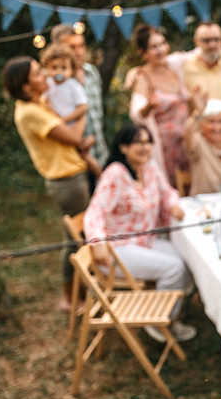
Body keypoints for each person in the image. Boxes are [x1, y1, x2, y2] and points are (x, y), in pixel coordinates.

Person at [84, 124, 196, 342]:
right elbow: (94, 212)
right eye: (138, 142)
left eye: (148, 142)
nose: (145, 148)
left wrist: (173, 204)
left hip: (144, 240)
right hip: (117, 250)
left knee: (189, 259)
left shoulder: (149, 168)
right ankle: (159, 322)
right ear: (124, 147)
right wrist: (97, 243)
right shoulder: (115, 174)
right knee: (174, 268)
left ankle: (167, 310)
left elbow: (168, 191)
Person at [3, 56, 94, 312]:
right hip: (67, 182)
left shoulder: (39, 103)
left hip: (72, 176)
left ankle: (78, 295)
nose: (45, 74)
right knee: (76, 241)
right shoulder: (30, 113)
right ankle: (71, 298)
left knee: (74, 239)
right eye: (37, 73)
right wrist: (83, 111)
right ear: (25, 86)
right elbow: (74, 137)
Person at [128, 24, 190, 186]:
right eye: (154, 47)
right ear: (143, 53)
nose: (161, 50)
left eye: (163, 44)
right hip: (166, 148)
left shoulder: (174, 66)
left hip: (187, 142)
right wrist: (148, 106)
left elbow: (198, 54)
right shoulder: (143, 77)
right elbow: (136, 113)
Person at [50, 24, 109, 167]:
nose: (78, 52)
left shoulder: (92, 72)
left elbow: (97, 115)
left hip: (100, 152)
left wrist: (93, 137)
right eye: (72, 47)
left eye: (81, 46)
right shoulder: (52, 82)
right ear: (58, 49)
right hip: (73, 160)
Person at [39, 43, 102, 177]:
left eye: (64, 68)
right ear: (46, 68)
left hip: (74, 128)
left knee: (86, 157)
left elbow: (83, 107)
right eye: (54, 68)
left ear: (72, 70)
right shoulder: (47, 85)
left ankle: (101, 177)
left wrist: (64, 119)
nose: (59, 72)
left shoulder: (73, 86)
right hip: (61, 130)